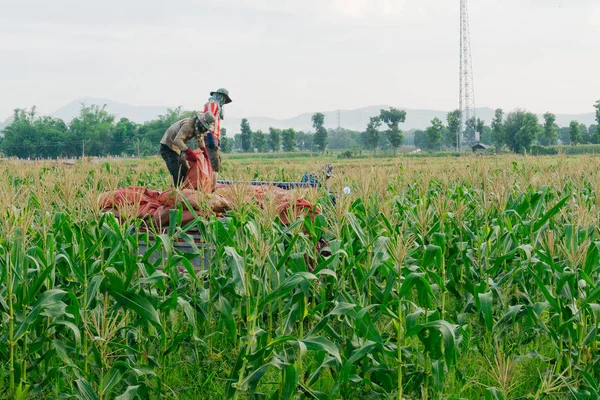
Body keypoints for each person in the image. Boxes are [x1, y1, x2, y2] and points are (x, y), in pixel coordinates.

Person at [160, 111, 215, 187]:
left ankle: (185, 191)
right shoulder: (188, 125)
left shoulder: (198, 128)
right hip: (168, 146)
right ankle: (177, 193)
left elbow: (200, 140)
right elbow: (177, 140)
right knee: (177, 173)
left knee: (185, 171)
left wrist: (204, 151)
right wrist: (189, 152)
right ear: (200, 123)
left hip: (178, 148)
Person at [203, 88, 233, 191]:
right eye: (224, 99)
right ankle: (211, 189)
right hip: (210, 135)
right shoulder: (213, 104)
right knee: (214, 164)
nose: (224, 102)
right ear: (221, 97)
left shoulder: (216, 106)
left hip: (213, 136)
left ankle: (210, 186)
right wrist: (210, 136)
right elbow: (207, 120)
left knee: (216, 162)